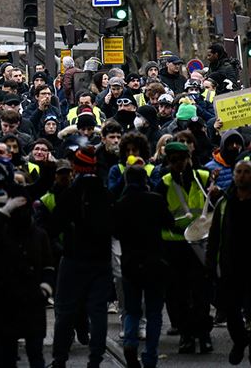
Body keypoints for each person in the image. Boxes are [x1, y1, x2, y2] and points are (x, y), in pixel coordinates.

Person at [50, 147, 115, 368]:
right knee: (98, 312)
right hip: (100, 260)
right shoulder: (105, 193)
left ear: (76, 169)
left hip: (73, 259)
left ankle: (60, 358)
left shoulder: (70, 193)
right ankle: (95, 359)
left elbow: (54, 224)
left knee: (65, 310)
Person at [153, 141, 213, 354]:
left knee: (200, 293)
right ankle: (187, 335)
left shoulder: (203, 179)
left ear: (188, 159)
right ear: (169, 161)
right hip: (174, 246)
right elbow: (158, 214)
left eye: (182, 159)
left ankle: (203, 334)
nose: (179, 164)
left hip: (198, 244)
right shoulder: (163, 183)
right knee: (178, 295)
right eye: (174, 161)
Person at [0, 192, 54, 368]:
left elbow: (48, 266)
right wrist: (5, 210)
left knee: (36, 354)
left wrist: (45, 289)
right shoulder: (3, 234)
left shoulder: (39, 235)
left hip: (33, 301)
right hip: (9, 303)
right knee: (9, 355)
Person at [112, 165, 174, 367]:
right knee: (155, 311)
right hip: (155, 260)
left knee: (132, 309)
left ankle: (130, 342)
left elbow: (117, 232)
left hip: (130, 261)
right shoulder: (155, 200)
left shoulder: (120, 204)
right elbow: (169, 223)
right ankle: (150, 356)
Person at [207, 158, 251, 365]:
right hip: (230, 265)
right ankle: (240, 340)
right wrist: (210, 263)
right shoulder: (224, 202)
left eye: (246, 172)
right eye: (238, 172)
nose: (242, 176)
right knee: (231, 310)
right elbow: (215, 235)